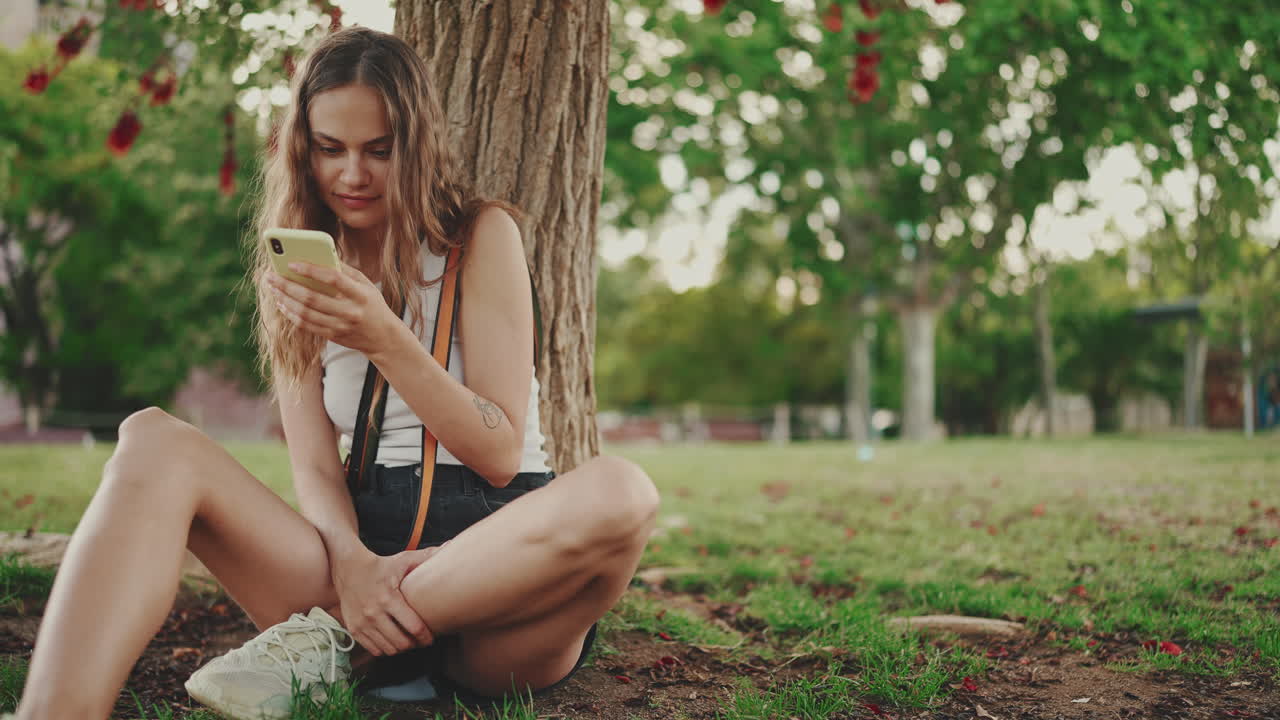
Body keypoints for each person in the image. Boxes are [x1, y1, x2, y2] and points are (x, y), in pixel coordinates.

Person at [10, 27, 658, 720]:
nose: (353, 174)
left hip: (500, 573)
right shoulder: (298, 272)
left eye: (380, 151)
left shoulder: (481, 236)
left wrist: (383, 336)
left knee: (622, 492)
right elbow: (315, 468)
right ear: (303, 149)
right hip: (351, 559)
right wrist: (351, 564)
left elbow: (500, 454)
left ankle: (341, 647)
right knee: (151, 438)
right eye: (330, 149)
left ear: (418, 143)